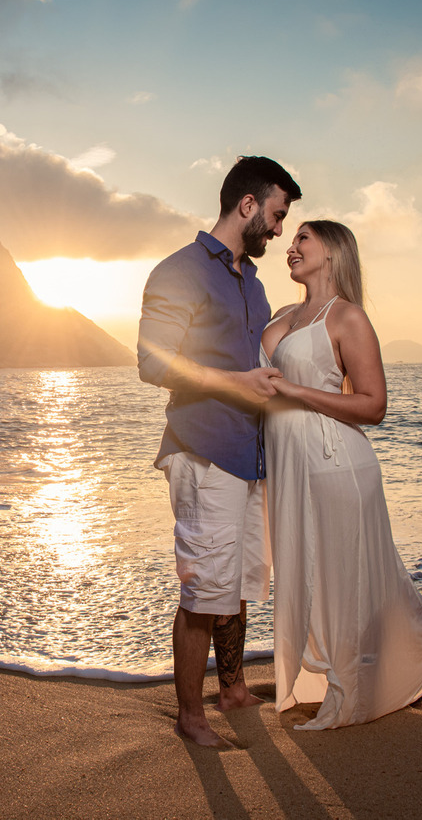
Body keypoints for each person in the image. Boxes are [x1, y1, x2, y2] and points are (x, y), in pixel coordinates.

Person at [260, 220, 422, 729]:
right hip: (289, 467)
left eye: (302, 238)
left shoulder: (347, 317)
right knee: (313, 573)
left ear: (332, 252)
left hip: (336, 464)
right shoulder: (284, 314)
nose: (291, 247)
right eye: (291, 239)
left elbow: (374, 405)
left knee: (362, 576)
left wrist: (295, 392)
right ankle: (332, 672)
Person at [138, 156, 302, 748]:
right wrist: (234, 385)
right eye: (278, 216)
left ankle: (231, 688)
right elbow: (152, 362)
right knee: (205, 590)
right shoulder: (178, 270)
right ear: (249, 205)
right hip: (203, 448)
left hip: (250, 453)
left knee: (235, 584)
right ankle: (190, 717)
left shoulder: (253, 284)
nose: (280, 231)